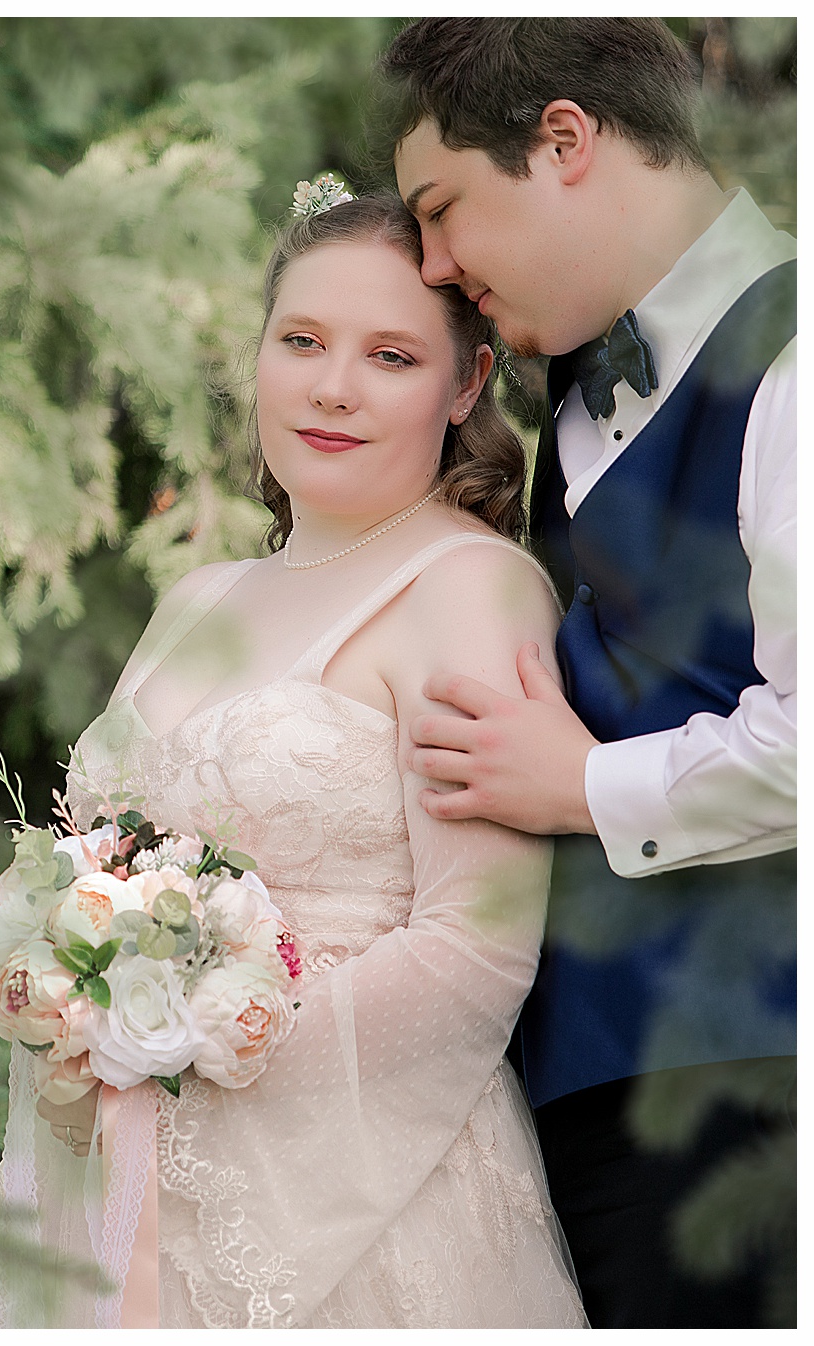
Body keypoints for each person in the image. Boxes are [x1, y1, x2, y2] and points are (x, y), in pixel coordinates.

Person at [0, 192, 587, 1328]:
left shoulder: (471, 587)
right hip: (121, 1162)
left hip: (365, 1199)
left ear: (464, 384)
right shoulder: (196, 599)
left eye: (390, 355)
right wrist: (79, 1010)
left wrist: (203, 1061)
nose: (331, 385)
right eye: (301, 340)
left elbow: (475, 947)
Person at [383, 19, 794, 1328]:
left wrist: (587, 784)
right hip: (576, 1106)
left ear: (565, 140)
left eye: (444, 211)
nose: (435, 264)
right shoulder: (567, 392)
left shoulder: (792, 361)